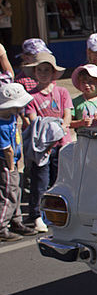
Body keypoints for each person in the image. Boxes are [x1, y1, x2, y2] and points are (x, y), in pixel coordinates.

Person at [23, 52, 71, 231]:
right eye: (39, 70)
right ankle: (37, 214)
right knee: (40, 180)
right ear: (34, 72)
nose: (43, 73)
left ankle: (58, 211)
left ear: (53, 73)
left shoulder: (62, 92)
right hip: (42, 148)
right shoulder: (31, 97)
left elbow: (67, 114)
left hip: (61, 143)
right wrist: (49, 133)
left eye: (47, 70)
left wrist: (61, 129)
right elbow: (33, 120)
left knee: (60, 179)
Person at [0, 83, 37, 241]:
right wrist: (11, 166)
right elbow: (7, 149)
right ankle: (2, 226)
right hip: (7, 163)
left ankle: (16, 221)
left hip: (14, 161)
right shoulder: (2, 124)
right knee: (8, 193)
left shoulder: (11, 117)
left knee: (17, 191)